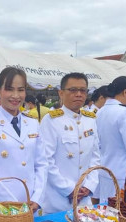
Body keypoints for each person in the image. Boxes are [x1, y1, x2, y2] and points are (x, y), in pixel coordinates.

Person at [0, 67, 47, 214]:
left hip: (31, 202)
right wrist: (13, 204)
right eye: (9, 89)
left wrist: (37, 197)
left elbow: (41, 163)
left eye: (20, 90)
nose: (15, 95)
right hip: (1, 206)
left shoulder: (32, 122)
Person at [40, 72, 100, 213]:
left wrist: (89, 186)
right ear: (61, 93)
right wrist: (69, 189)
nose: (78, 94)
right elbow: (46, 160)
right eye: (73, 90)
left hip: (84, 199)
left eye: (83, 90)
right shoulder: (51, 120)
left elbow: (95, 157)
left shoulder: (90, 119)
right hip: (57, 199)